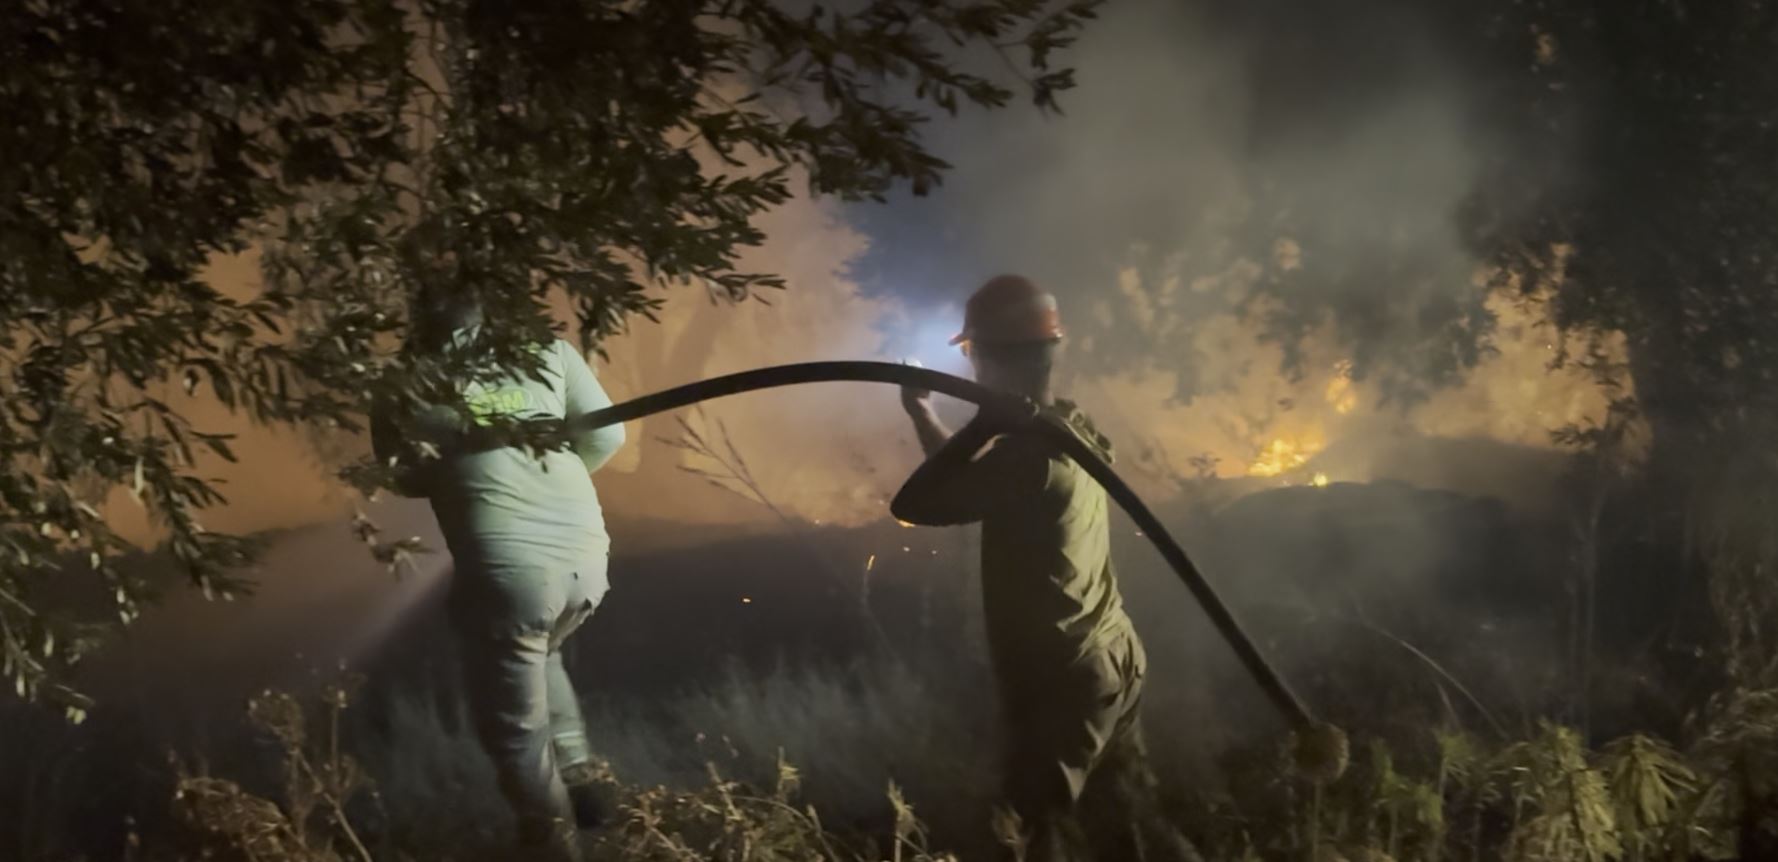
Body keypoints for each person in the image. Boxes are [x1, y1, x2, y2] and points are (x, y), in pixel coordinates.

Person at [893, 275, 1199, 862]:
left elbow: (916, 504)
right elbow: (965, 481)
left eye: (969, 350)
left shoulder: (1030, 458)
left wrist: (980, 424)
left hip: (1065, 679)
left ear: (985, 356)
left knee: (1029, 834)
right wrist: (924, 410)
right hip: (1113, 657)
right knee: (1128, 821)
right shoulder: (1071, 426)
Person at [371, 286, 624, 861]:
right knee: (542, 650)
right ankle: (580, 772)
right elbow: (608, 434)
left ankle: (553, 845)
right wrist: (549, 479)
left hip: (509, 569)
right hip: (587, 559)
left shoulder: (404, 380)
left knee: (514, 734)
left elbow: (398, 473)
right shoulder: (550, 350)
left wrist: (459, 463)